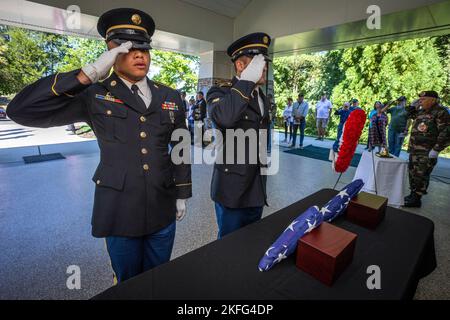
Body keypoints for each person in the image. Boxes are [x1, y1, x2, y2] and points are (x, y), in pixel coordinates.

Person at [6, 8, 192, 283]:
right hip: (119, 208)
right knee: (127, 281)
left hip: (162, 204)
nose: (140, 55)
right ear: (111, 51)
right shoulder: (94, 93)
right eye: (129, 49)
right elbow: (21, 110)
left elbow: (181, 147)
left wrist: (182, 193)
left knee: (158, 279)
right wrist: (87, 74)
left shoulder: (170, 95)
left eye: (145, 49)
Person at [206, 32, 271, 239]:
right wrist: (246, 82)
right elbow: (224, 118)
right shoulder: (220, 92)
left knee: (252, 240)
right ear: (241, 66)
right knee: (228, 243)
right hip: (232, 186)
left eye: (265, 62)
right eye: (258, 63)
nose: (265, 67)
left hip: (257, 184)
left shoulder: (262, 97)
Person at [404, 91, 450, 208]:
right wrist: (413, 106)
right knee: (412, 173)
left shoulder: (440, 112)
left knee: (421, 175)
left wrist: (436, 149)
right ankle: (412, 194)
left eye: (423, 99)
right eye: (420, 99)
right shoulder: (421, 111)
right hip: (415, 149)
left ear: (432, 100)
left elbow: (446, 132)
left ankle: (417, 199)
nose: (420, 101)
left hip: (427, 151)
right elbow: (409, 115)